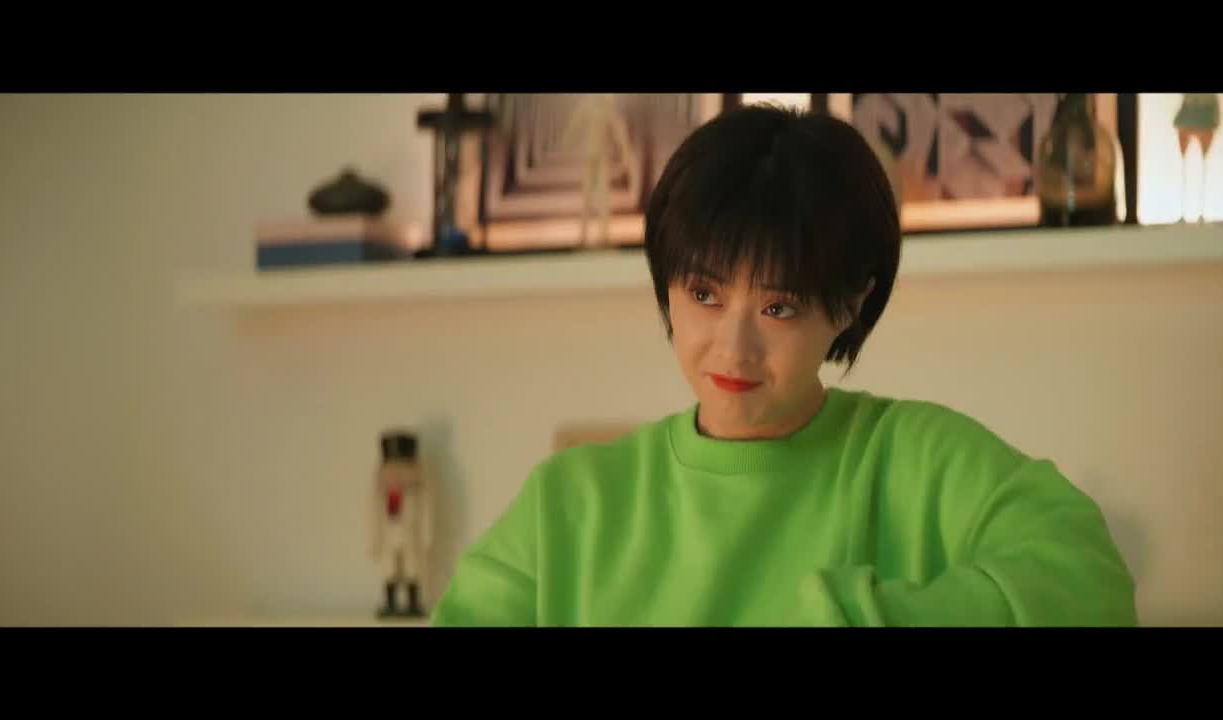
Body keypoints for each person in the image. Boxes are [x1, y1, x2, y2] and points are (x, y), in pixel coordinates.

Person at [430, 103, 1139, 627]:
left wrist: (867, 618)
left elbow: (1089, 582)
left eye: (778, 307)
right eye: (704, 294)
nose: (733, 346)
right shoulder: (567, 505)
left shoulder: (920, 461)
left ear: (850, 304)